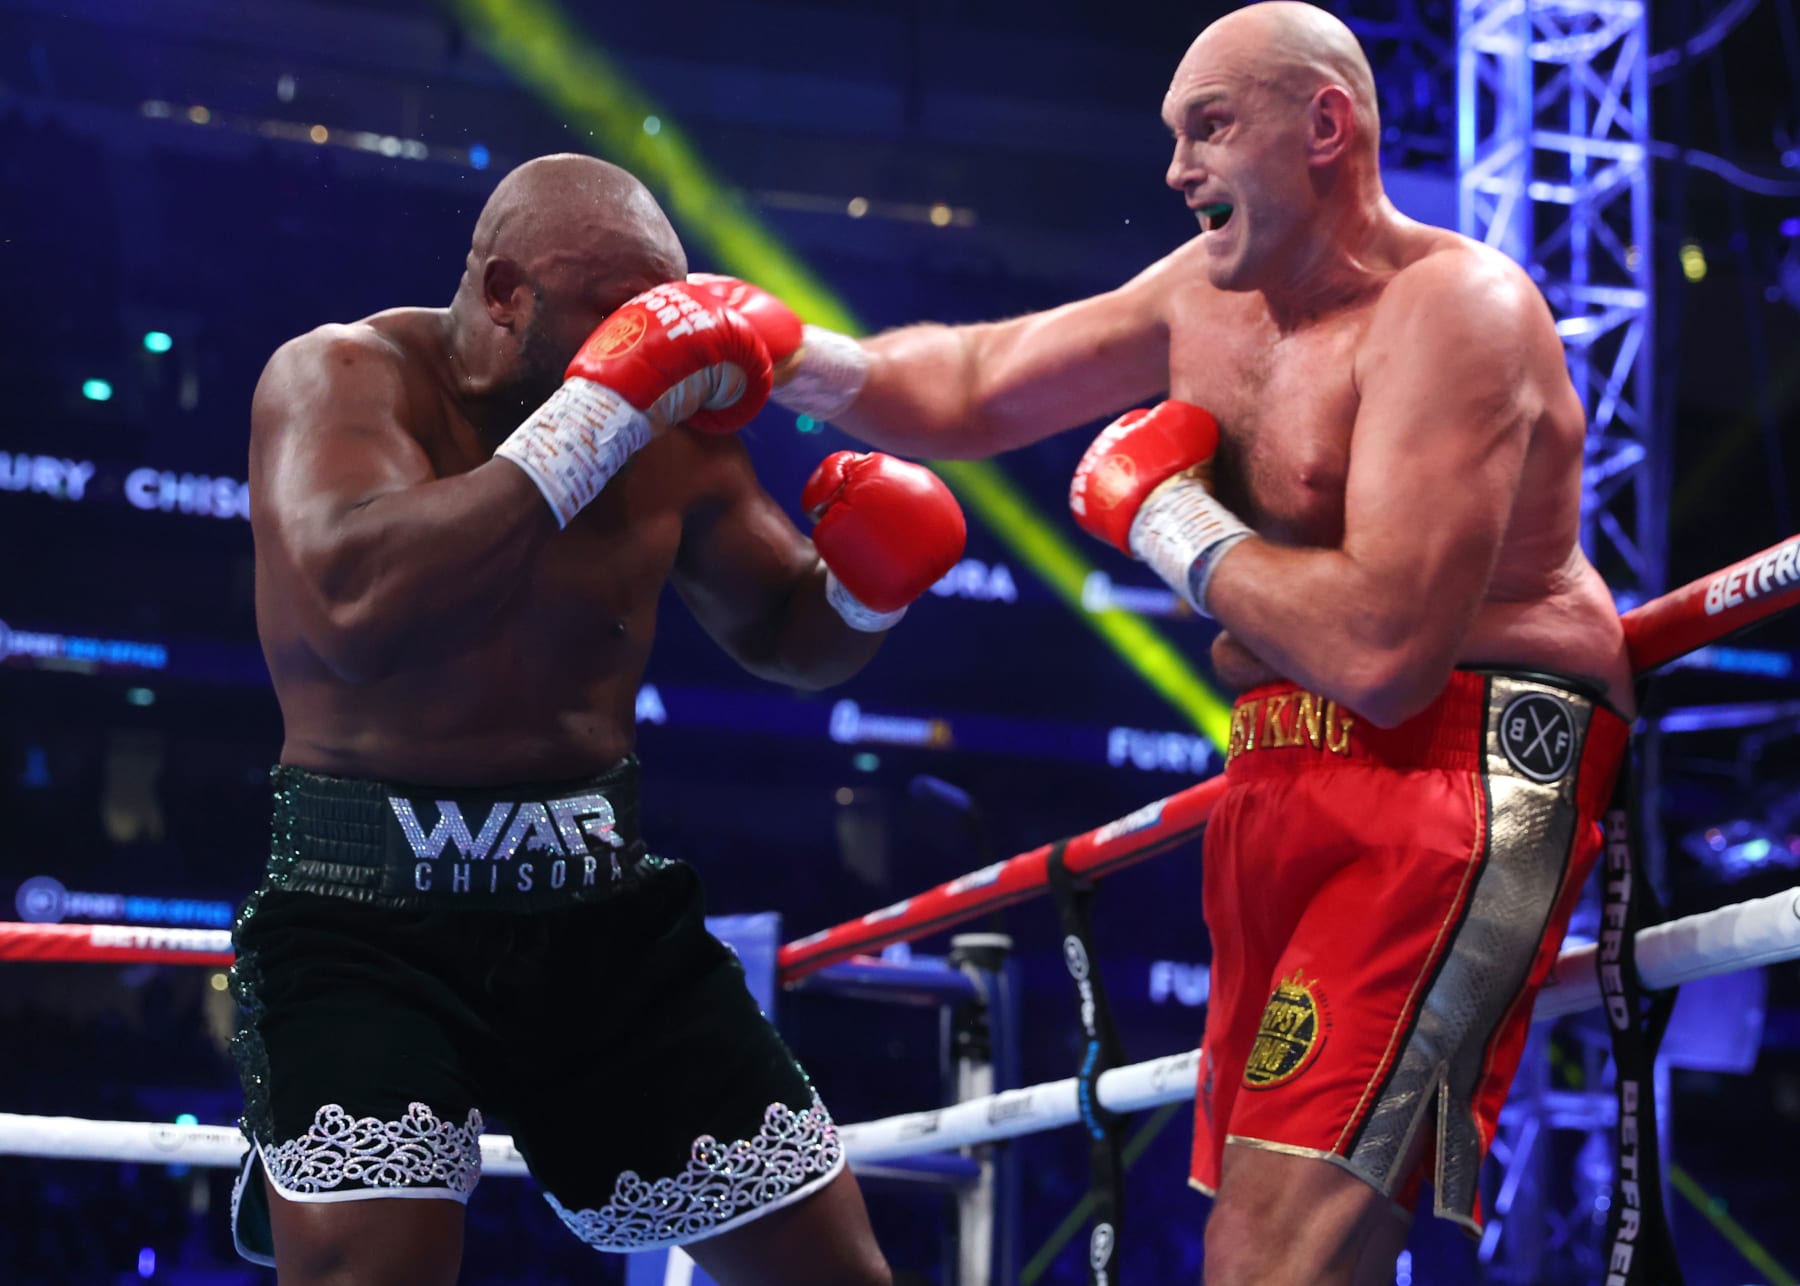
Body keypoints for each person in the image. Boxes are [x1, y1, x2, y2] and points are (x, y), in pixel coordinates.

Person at [687, 4, 1636, 1282]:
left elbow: (1383, 649)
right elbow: (974, 379)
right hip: (1278, 768)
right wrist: (785, 353)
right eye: (1174, 133)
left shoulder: (1453, 310)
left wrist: (1171, 522)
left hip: (1455, 768)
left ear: (1324, 125)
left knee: (1276, 1251)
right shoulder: (1205, 297)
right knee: (1259, 1235)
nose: (1176, 169)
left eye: (1209, 127)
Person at [231, 152, 966, 1286]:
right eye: (615, 317)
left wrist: (870, 584)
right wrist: (596, 413)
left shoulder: (670, 425)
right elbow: (354, 608)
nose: (649, 345)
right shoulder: (341, 376)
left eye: (659, 314)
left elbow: (782, 629)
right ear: (503, 290)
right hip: (361, 915)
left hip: (598, 915)